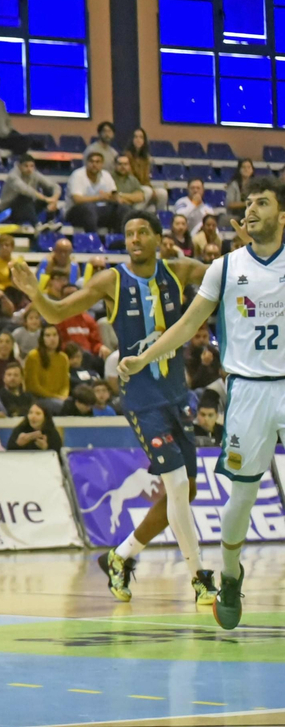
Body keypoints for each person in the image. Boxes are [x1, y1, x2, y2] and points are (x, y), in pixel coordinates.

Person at [120, 176, 284, 629]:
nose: (251, 209)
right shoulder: (226, 268)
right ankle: (229, 576)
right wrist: (143, 358)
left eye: (263, 203)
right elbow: (187, 326)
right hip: (248, 391)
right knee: (242, 499)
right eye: (248, 203)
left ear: (282, 215)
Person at [0, 155, 62, 226]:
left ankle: (50, 222)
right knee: (25, 197)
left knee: (49, 192)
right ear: (19, 166)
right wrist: (46, 199)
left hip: (26, 208)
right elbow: (25, 190)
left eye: (32, 166)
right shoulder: (13, 176)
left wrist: (54, 199)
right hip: (9, 210)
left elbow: (54, 186)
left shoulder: (34, 174)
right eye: (26, 166)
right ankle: (36, 225)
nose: (29, 169)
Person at [66, 151, 121, 233]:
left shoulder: (106, 175)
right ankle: (93, 242)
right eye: (91, 161)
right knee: (89, 208)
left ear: (102, 164)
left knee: (122, 209)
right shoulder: (78, 175)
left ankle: (120, 241)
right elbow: (77, 200)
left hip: (99, 211)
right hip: (75, 212)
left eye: (97, 162)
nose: (94, 164)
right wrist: (100, 197)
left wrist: (114, 197)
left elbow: (114, 194)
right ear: (86, 163)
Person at [24, 324, 70, 413]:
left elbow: (65, 384)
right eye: (48, 335)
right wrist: (56, 397)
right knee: (62, 406)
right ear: (42, 338)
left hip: (59, 398)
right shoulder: (33, 356)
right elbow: (33, 387)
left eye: (55, 335)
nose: (52, 338)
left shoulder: (63, 358)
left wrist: (63, 396)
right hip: (38, 399)